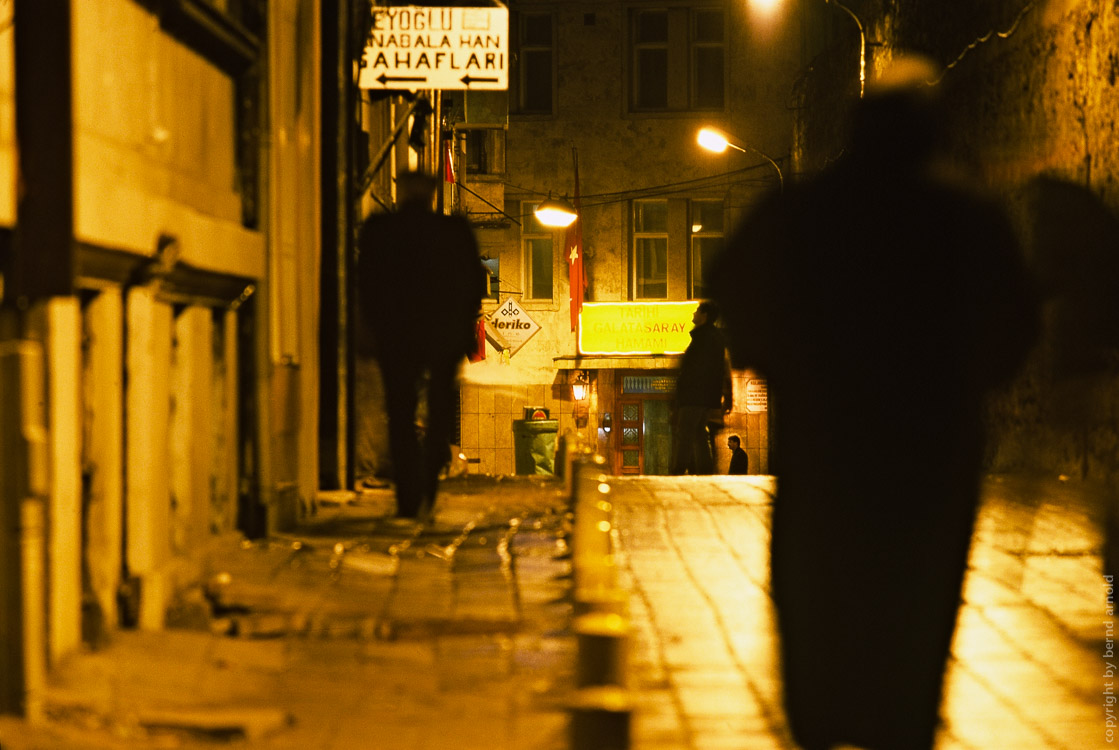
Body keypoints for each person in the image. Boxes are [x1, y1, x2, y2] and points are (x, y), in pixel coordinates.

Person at [710, 56, 1039, 750]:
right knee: (916, 606)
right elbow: (1013, 326)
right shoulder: (966, 216)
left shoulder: (801, 208)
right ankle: (901, 723)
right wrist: (964, 380)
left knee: (819, 591)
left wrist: (782, 363)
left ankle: (820, 720)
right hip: (931, 454)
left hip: (825, 447)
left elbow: (737, 291)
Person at [356, 171, 487, 521]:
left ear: (399, 192)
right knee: (439, 411)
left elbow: (365, 283)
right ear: (432, 194)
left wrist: (371, 329)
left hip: (396, 336)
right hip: (441, 335)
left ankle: (408, 494)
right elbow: (474, 285)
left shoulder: (380, 230)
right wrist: (461, 326)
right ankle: (428, 481)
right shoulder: (453, 231)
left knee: (400, 412)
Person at [671, 300, 732, 475]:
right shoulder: (712, 337)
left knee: (685, 434)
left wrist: (682, 394)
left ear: (704, 315)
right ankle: (705, 470)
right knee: (698, 434)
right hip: (704, 396)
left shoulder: (704, 338)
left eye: (697, 311)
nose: (693, 314)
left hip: (694, 395)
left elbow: (694, 369)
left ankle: (678, 470)